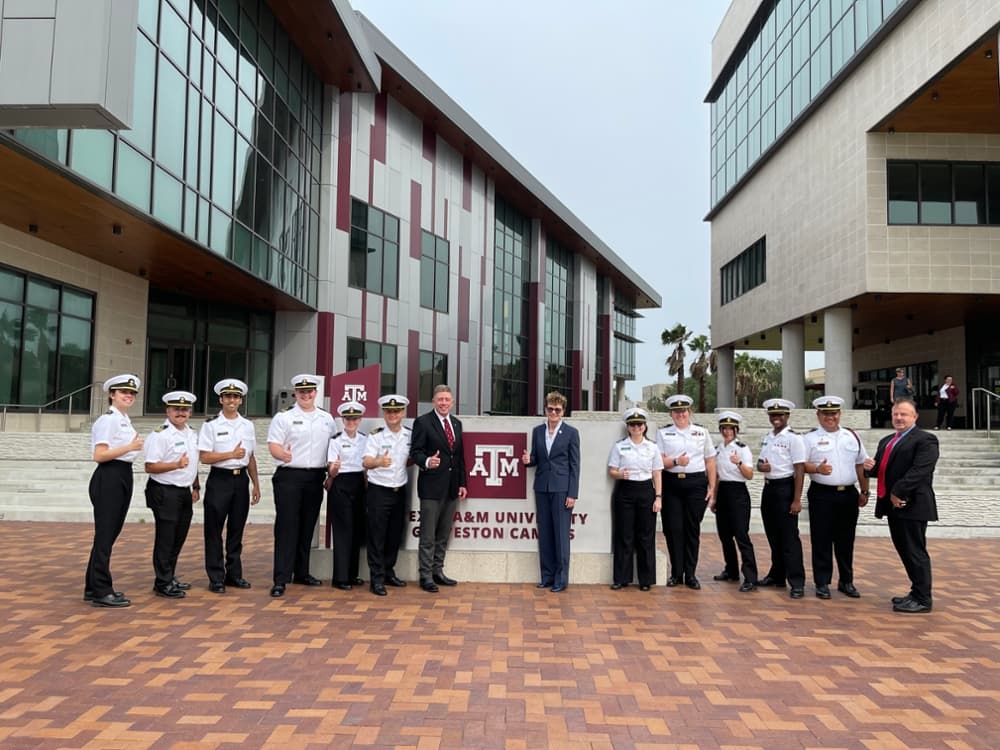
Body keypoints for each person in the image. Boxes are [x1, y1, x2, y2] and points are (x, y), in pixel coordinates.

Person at [863, 398, 939, 613]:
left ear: (915, 417)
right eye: (896, 414)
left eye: (904, 414)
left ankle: (923, 599)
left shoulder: (926, 440)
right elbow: (881, 469)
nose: (898, 418)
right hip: (893, 506)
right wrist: (870, 468)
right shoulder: (887, 440)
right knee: (904, 550)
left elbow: (920, 471)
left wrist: (898, 491)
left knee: (915, 551)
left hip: (912, 504)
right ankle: (915, 592)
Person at [266, 374, 336, 597]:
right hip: (289, 477)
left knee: (307, 526)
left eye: (310, 392)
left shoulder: (326, 418)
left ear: (316, 393)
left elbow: (333, 448)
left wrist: (331, 474)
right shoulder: (283, 417)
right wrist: (282, 454)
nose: (306, 395)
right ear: (296, 394)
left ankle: (302, 572)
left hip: (315, 477)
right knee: (287, 527)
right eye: (302, 392)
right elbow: (274, 445)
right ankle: (281, 578)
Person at [802, 396, 870, 600]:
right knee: (821, 539)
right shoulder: (809, 438)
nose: (830, 417)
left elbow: (861, 464)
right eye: (825, 414)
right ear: (818, 415)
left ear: (839, 414)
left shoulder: (852, 436)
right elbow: (799, 464)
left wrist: (864, 491)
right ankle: (822, 582)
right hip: (822, 494)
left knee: (846, 539)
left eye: (834, 413)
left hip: (848, 494)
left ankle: (846, 581)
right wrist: (817, 468)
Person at [85, 374, 144, 608]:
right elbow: (99, 455)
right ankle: (101, 590)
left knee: (108, 534)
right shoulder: (108, 420)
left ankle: (92, 586)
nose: (128, 396)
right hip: (109, 475)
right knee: (105, 535)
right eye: (123, 392)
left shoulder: (123, 419)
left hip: (121, 474)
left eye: (131, 393)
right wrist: (129, 447)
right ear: (112, 395)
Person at [199, 378, 260, 593]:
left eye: (235, 397)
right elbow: (204, 457)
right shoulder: (211, 425)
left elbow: (250, 456)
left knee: (237, 529)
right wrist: (230, 454)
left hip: (240, 480)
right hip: (219, 480)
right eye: (227, 397)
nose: (231, 400)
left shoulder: (248, 425)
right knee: (214, 530)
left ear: (241, 400)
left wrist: (256, 484)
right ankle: (216, 577)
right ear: (221, 399)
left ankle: (234, 574)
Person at [410, 385, 468, 593]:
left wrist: (462, 483)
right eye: (440, 399)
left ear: (452, 402)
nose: (444, 403)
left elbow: (459, 457)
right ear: (434, 401)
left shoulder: (457, 424)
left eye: (447, 399)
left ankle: (437, 571)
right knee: (428, 535)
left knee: (443, 534)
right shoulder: (423, 422)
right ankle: (425, 576)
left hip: (452, 488)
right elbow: (415, 452)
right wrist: (426, 461)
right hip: (431, 488)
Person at [655, 394, 716, 589]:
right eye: (676, 411)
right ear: (671, 414)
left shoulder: (702, 432)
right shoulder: (663, 434)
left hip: (696, 484)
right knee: (673, 529)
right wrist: (675, 462)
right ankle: (676, 573)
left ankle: (690, 574)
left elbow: (710, 461)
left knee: (692, 530)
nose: (680, 414)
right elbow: (658, 462)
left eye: (683, 411)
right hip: (671, 484)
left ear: (689, 412)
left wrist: (712, 488)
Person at [143, 390, 200, 599]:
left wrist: (196, 486)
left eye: (185, 409)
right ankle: (162, 582)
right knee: (166, 538)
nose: (181, 413)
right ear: (168, 410)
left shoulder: (192, 433)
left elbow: (193, 463)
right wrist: (175, 464)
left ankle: (170, 575)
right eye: (176, 409)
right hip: (164, 491)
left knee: (179, 537)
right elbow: (150, 466)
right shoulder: (160, 435)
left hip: (184, 491)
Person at [521, 391, 580, 593]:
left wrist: (573, 493)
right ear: (545, 409)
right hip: (542, 487)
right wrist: (529, 461)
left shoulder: (571, 433)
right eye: (550, 408)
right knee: (545, 534)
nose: (553, 412)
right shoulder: (538, 431)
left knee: (561, 536)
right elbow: (536, 457)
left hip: (562, 490)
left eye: (557, 409)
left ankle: (561, 579)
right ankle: (546, 576)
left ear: (563, 411)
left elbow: (575, 466)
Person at [606, 407, 662, 591]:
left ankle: (645, 580)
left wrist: (658, 497)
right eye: (632, 425)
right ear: (628, 427)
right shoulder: (620, 446)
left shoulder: (652, 447)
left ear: (645, 427)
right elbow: (612, 471)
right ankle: (621, 578)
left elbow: (657, 474)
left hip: (646, 490)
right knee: (624, 535)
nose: (636, 427)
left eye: (639, 424)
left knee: (645, 536)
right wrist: (620, 474)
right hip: (625, 491)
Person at [757, 398, 807, 599]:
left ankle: (797, 581)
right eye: (773, 415)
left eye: (780, 415)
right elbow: (761, 462)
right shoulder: (768, 437)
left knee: (789, 538)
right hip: (769, 488)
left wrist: (796, 499)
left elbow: (800, 469)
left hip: (785, 488)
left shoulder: (794, 439)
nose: (776, 418)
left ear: (787, 416)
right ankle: (777, 574)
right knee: (773, 535)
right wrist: (762, 467)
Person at [363, 394, 413, 596]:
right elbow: (366, 462)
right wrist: (378, 462)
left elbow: (409, 459)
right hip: (379, 490)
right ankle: (376, 578)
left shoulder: (409, 435)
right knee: (377, 536)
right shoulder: (376, 436)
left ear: (402, 413)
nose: (393, 415)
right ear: (384, 413)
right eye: (389, 411)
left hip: (399, 490)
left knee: (394, 534)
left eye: (397, 411)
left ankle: (388, 572)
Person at [710, 411, 758, 593]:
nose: (727, 432)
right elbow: (718, 475)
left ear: (736, 430)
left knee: (741, 535)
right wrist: (714, 497)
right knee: (724, 535)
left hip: (738, 492)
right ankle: (731, 570)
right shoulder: (718, 448)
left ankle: (751, 577)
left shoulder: (742, 448)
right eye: (724, 428)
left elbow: (750, 475)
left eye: (731, 429)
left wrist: (739, 463)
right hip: (723, 492)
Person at [326, 400, 368, 591]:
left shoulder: (365, 439)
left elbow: (366, 467)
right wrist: (333, 469)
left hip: (359, 484)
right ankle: (340, 577)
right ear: (343, 420)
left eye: (355, 418)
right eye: (348, 418)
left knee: (356, 531)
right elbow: (331, 470)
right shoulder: (335, 440)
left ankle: (352, 574)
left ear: (360, 420)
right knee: (343, 532)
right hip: (341, 485)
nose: (351, 422)